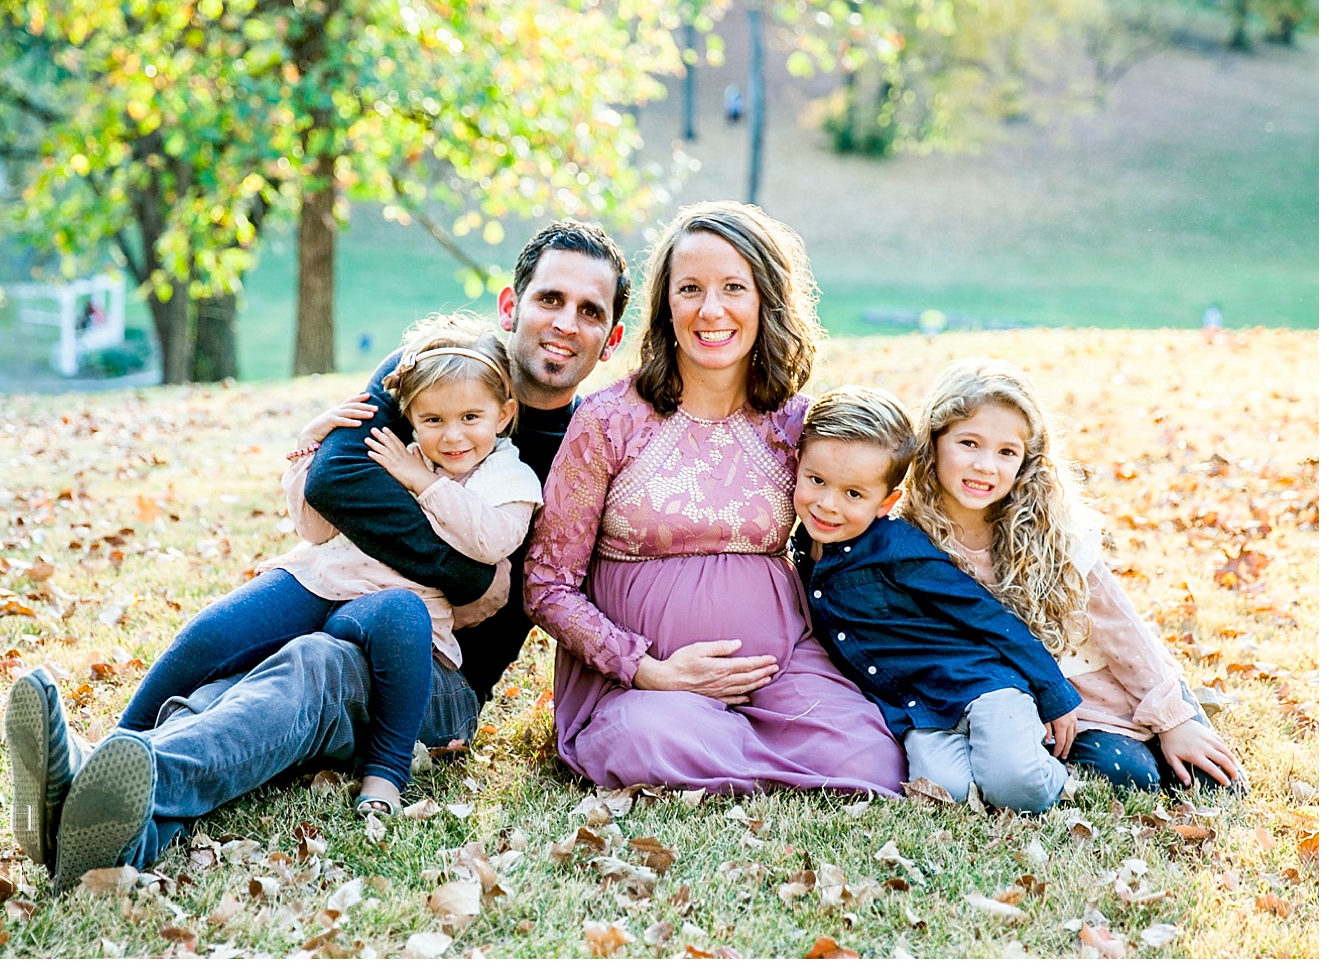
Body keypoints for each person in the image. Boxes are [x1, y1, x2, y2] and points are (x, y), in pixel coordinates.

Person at [6, 221, 629, 892]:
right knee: (243, 663)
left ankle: (129, 785)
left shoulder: (589, 444)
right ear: (512, 305)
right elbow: (336, 478)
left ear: (610, 339)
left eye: (589, 311)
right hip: (343, 604)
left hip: (435, 682)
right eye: (550, 299)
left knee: (313, 667)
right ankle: (105, 791)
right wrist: (470, 574)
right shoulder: (435, 367)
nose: (565, 322)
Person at [523, 200, 906, 796]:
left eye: (733, 287)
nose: (711, 310)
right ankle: (739, 750)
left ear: (765, 301)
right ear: (665, 305)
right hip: (642, 686)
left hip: (778, 667)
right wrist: (648, 671)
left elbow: (865, 513)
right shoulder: (609, 423)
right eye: (690, 289)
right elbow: (547, 585)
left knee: (870, 761)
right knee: (644, 740)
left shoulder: (794, 425)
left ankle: (741, 745)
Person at [115, 312, 542, 818]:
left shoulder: (509, 479)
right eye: (433, 420)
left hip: (389, 609)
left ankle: (386, 773)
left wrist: (423, 484)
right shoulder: (398, 452)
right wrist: (310, 452)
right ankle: (118, 745)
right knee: (213, 633)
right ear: (412, 416)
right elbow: (316, 528)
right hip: (324, 578)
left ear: (504, 413)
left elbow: (490, 540)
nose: (452, 437)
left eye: (471, 418)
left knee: (402, 617)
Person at [899, 357, 1244, 792]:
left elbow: (1121, 628)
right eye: (969, 443)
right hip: (1049, 709)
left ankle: (1174, 719)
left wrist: (1173, 720)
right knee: (1132, 776)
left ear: (1027, 461)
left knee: (1216, 782)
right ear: (933, 441)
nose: (987, 466)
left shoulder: (1052, 529)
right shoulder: (908, 543)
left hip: (1114, 680)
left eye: (1007, 452)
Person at [791, 386, 1081, 813]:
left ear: (886, 502)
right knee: (946, 795)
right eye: (816, 481)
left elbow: (984, 614)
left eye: (853, 494)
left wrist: (1053, 690)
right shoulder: (799, 550)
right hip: (918, 712)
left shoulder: (897, 548)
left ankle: (1053, 773)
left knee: (1017, 789)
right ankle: (998, 758)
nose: (827, 504)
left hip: (981, 686)